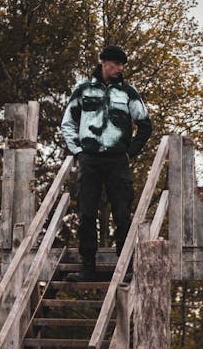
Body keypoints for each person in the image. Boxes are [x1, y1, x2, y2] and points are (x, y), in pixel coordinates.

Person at [61, 45, 152, 280]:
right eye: (115, 64)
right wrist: (79, 151)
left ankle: (125, 267)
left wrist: (130, 152)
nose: (119, 69)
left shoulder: (128, 93)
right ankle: (87, 268)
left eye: (122, 65)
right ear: (103, 62)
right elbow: (68, 123)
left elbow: (145, 124)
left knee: (122, 214)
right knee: (86, 214)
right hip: (90, 159)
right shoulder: (83, 90)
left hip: (117, 160)